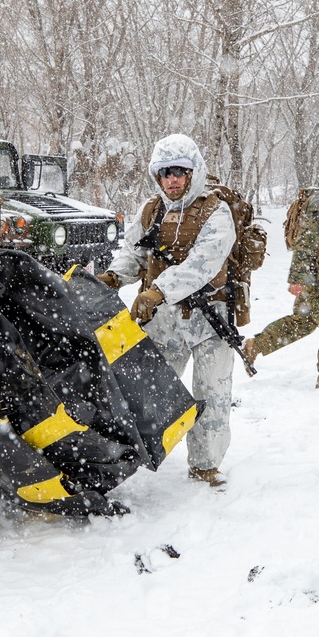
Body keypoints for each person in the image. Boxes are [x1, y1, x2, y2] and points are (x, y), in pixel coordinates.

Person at [96, 133, 237, 489]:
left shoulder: (215, 210)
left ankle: (205, 465)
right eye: (164, 173)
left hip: (209, 319)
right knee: (147, 394)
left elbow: (203, 264)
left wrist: (158, 291)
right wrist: (114, 276)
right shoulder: (151, 210)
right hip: (163, 322)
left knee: (212, 395)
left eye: (180, 171)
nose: (172, 180)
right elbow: (134, 253)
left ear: (193, 172)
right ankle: (130, 458)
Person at [243, 153, 319, 388]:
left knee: (304, 322)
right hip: (318, 278)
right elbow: (306, 241)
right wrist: (298, 278)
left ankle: (255, 345)